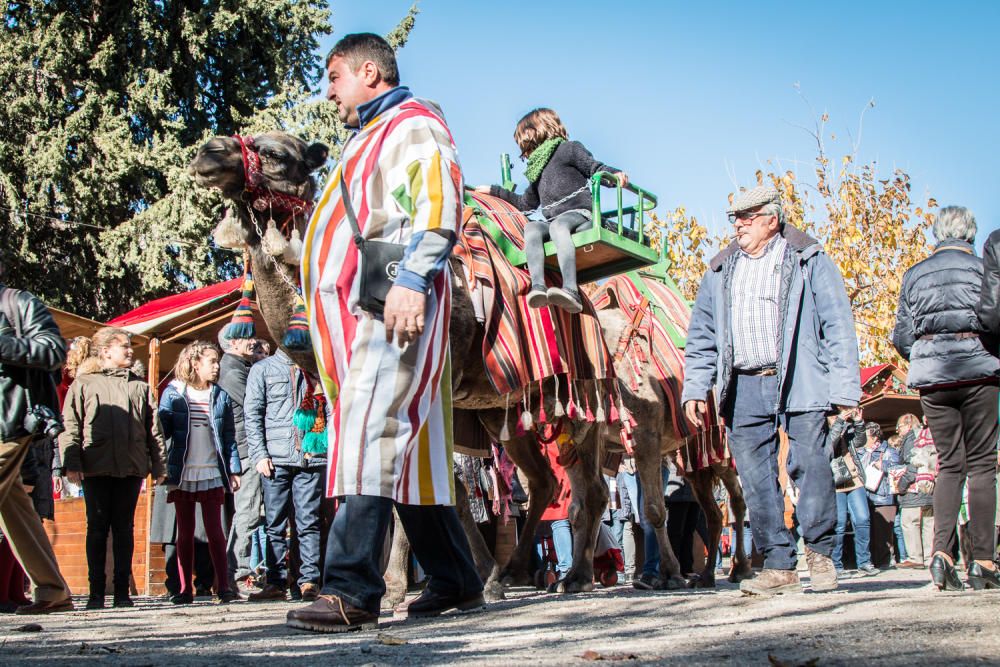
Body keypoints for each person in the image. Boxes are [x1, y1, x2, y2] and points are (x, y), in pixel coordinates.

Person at [292, 33, 483, 632]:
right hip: (367, 313)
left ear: (368, 71)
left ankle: (350, 591)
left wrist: (413, 277)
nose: (329, 93)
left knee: (368, 430)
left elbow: (437, 202)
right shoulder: (369, 136)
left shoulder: (411, 123)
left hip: (389, 307)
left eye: (335, 78)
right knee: (414, 450)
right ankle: (454, 581)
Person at [682, 185, 862, 595]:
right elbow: (702, 334)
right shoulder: (720, 270)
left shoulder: (808, 258)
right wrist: (696, 386)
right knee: (754, 476)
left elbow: (838, 323)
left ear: (771, 219)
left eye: (748, 216)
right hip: (743, 384)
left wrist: (845, 387)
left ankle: (820, 555)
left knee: (811, 464)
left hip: (800, 377)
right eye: (735, 218)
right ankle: (779, 564)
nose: (738, 225)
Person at [895, 205, 1000, 591]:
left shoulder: (914, 275)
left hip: (933, 379)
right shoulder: (982, 269)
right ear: (970, 234)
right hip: (978, 370)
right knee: (982, 467)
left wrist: (928, 356)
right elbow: (993, 317)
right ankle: (984, 560)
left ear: (936, 234)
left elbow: (902, 337)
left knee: (949, 466)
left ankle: (941, 555)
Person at [475, 108, 627, 313]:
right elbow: (524, 204)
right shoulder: (537, 169)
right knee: (532, 229)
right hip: (554, 219)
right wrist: (495, 191)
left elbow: (595, 168)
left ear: (536, 131)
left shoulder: (569, 149)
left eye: (523, 140)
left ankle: (570, 290)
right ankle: (538, 287)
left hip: (579, 214)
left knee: (558, 227)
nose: (523, 149)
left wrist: (615, 175)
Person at [59, 327, 166, 608]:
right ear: (105, 351)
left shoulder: (140, 386)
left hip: (131, 467)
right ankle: (96, 592)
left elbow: (154, 430)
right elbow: (70, 426)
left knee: (124, 528)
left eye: (130, 346)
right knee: (96, 528)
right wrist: (70, 463)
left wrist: (159, 465)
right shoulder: (84, 384)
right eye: (123, 346)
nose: (130, 351)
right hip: (96, 466)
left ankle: (122, 592)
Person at [0, 261, 73, 614]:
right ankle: (52, 589)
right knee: (14, 508)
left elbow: (54, 350)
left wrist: (5, 345)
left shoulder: (17, 302)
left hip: (11, 422)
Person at [158, 341, 242, 604]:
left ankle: (224, 587)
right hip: (183, 471)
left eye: (217, 361)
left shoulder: (220, 395)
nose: (217, 367)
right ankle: (184, 590)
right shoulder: (174, 393)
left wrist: (233, 469)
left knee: (216, 531)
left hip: (212, 470)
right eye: (212, 361)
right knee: (185, 531)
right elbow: (163, 431)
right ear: (195, 364)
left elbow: (229, 436)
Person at [244, 350, 327, 602]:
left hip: (311, 456)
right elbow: (253, 414)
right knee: (274, 523)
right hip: (276, 457)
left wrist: (323, 446)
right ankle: (276, 582)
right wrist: (259, 454)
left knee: (308, 521)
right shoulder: (263, 369)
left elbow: (331, 410)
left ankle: (309, 580)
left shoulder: (316, 366)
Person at [216, 333, 263, 593]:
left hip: (247, 448)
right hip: (247, 448)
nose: (254, 341)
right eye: (248, 337)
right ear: (233, 342)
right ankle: (238, 573)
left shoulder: (241, 368)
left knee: (248, 511)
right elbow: (254, 406)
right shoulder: (233, 373)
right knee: (248, 511)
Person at [828, 408, 877, 577]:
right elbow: (830, 444)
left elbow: (860, 441)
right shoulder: (824, 429)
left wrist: (858, 422)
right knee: (839, 524)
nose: (838, 416)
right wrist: (839, 421)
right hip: (835, 482)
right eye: (834, 414)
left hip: (855, 480)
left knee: (863, 519)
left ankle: (864, 562)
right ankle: (836, 565)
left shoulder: (846, 427)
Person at [895, 414, 934, 568]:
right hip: (929, 487)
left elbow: (913, 464)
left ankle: (915, 558)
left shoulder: (912, 439)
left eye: (900, 427)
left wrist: (901, 484)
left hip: (914, 490)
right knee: (928, 524)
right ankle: (929, 558)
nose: (898, 431)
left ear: (908, 425)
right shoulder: (926, 436)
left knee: (910, 522)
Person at [861, 423, 901, 569]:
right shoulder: (864, 452)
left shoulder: (889, 451)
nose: (864, 439)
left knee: (884, 535)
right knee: (871, 534)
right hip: (867, 496)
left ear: (875, 436)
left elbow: (898, 469)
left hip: (884, 497)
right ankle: (874, 562)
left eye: (866, 436)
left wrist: (882, 465)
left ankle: (884, 562)